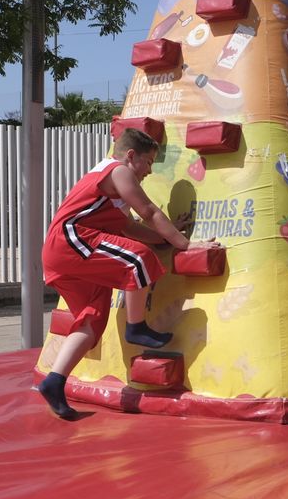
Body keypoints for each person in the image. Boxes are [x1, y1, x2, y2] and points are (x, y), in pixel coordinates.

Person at [35, 129, 201, 419]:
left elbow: (129, 227)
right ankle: (136, 326)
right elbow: (149, 211)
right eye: (148, 162)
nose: (149, 170)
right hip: (71, 242)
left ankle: (55, 380)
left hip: (61, 253)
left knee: (91, 320)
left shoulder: (107, 182)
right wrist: (186, 245)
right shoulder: (119, 171)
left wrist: (166, 235)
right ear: (130, 155)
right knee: (139, 259)